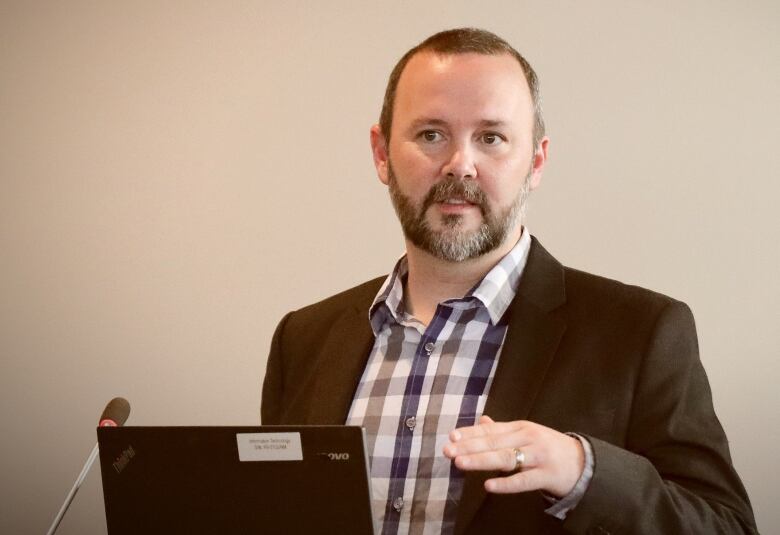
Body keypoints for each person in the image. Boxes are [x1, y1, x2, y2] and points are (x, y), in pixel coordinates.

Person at [261, 28, 756, 534]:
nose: (461, 165)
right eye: (431, 134)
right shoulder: (302, 340)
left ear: (535, 161)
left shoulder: (643, 332)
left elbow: (727, 526)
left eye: (491, 138)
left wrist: (582, 471)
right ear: (382, 153)